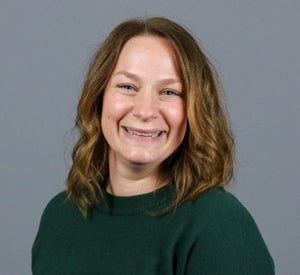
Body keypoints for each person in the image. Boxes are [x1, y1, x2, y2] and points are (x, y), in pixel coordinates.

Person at [32, 17, 274, 274]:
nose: (145, 111)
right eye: (127, 86)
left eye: (169, 92)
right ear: (99, 96)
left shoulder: (217, 224)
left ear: (194, 110)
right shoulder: (60, 217)